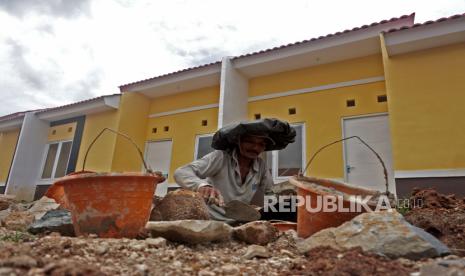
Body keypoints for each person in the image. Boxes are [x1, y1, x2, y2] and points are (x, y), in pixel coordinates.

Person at [174, 118, 296, 222]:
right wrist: (202, 186)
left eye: (261, 144)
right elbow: (181, 172)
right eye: (250, 142)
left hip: (241, 221)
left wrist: (287, 191)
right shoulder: (221, 157)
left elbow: (270, 192)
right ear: (238, 142)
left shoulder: (261, 165)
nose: (255, 147)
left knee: (294, 206)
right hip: (212, 220)